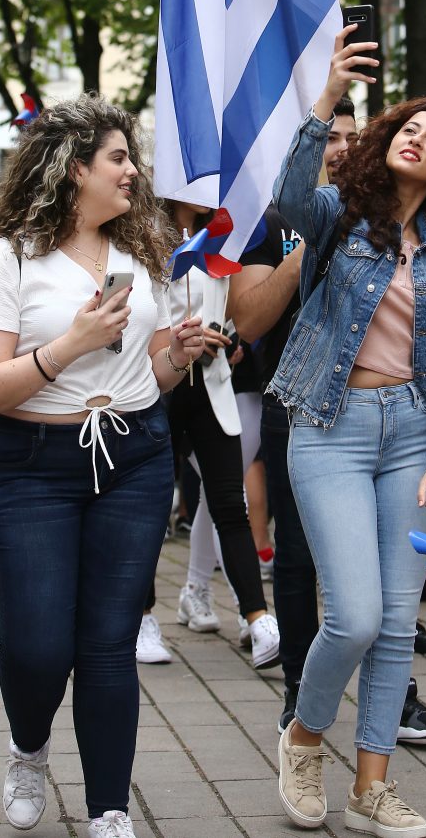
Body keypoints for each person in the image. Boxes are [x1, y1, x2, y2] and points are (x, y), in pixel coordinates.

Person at [0, 96, 206, 838]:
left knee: (107, 643)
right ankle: (28, 749)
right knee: (39, 645)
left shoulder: (141, 257)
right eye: (119, 158)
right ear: (74, 170)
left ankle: (108, 811)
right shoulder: (10, 259)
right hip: (33, 466)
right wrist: (69, 344)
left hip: (133, 458)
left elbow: (151, 374)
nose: (133, 171)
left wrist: (177, 354)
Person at [270, 28, 426, 837]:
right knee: (354, 615)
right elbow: (288, 197)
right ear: (386, 142)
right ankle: (302, 732)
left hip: (411, 434)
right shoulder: (338, 215)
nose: (419, 139)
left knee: (399, 619)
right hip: (329, 425)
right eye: (409, 128)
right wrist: (325, 98)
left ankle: (372, 785)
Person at [230, 95, 426, 744]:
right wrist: (318, 245)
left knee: (389, 581)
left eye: (354, 138)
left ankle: (394, 704)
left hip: (394, 415)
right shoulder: (278, 221)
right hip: (304, 403)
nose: (343, 150)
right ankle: (301, 695)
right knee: (301, 561)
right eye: (334, 137)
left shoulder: (403, 222)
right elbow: (248, 320)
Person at [163, 201, 280, 669]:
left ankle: (257, 619)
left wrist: (230, 338)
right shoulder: (140, 234)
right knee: (151, 505)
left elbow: (231, 306)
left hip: (212, 386)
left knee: (231, 502)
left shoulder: (224, 233)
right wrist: (176, 337)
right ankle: (142, 616)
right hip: (157, 387)